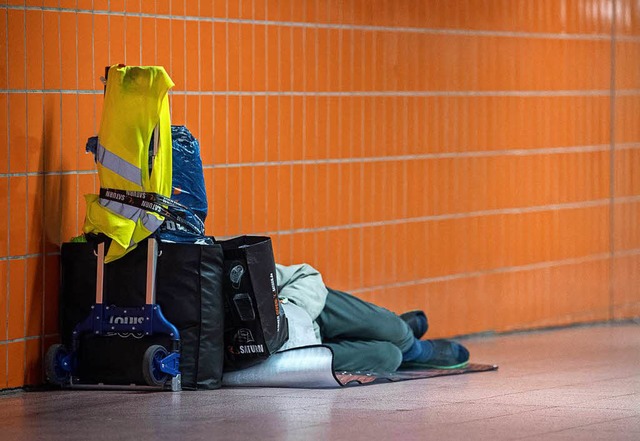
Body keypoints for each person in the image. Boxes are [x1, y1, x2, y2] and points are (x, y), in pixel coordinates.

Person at [275, 263, 470, 373]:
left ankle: (412, 346)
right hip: (297, 354)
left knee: (394, 329)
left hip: (305, 311)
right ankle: (404, 347)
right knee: (389, 357)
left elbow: (305, 275)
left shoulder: (245, 262)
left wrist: (291, 313)